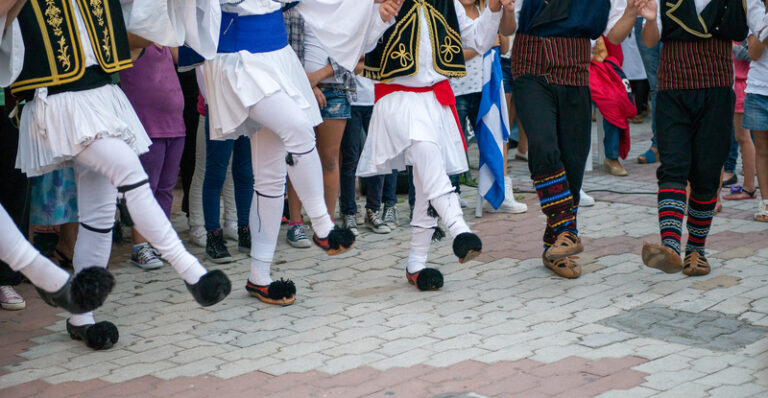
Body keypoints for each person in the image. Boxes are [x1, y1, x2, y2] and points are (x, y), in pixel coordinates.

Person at [1, 0, 231, 350]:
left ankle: (81, 316)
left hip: (103, 99)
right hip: (60, 104)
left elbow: (140, 25)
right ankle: (191, 271)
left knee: (101, 212)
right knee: (127, 169)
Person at [201, 0, 396, 305]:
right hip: (239, 59)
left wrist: (373, 12)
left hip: (277, 60)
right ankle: (321, 225)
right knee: (299, 128)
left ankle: (259, 275)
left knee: (270, 176)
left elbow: (328, 9)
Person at [358, 0, 515, 291]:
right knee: (427, 155)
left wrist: (493, 8)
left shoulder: (446, 2)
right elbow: (361, 43)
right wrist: (380, 16)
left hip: (435, 100)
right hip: (397, 97)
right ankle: (459, 229)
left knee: (426, 181)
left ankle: (417, 262)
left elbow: (479, 40)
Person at [511, 0, 639, 279]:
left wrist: (631, 13)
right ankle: (568, 230)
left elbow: (612, 35)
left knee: (572, 162)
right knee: (543, 145)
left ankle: (554, 247)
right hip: (530, 67)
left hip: (576, 71)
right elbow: (508, 25)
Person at [640, 0, 761, 276]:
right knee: (672, 166)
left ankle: (696, 250)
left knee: (707, 172)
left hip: (716, 91)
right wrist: (647, 19)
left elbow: (758, 31)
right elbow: (649, 41)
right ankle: (670, 245)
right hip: (673, 90)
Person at [119, 44, 190, 270]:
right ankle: (140, 246)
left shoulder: (166, 39)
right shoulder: (133, 41)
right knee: (144, 188)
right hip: (147, 127)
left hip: (175, 123)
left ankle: (161, 242)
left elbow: (185, 56)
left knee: (165, 189)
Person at [724, 39, 758, 202]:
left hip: (740, 86)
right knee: (740, 138)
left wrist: (729, 44)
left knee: (743, 138)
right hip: (732, 85)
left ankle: (749, 187)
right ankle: (748, 186)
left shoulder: (746, 27)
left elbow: (751, 55)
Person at [744, 16, 768, 222]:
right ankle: (766, 203)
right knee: (762, 148)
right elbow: (753, 52)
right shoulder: (756, 10)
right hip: (760, 89)